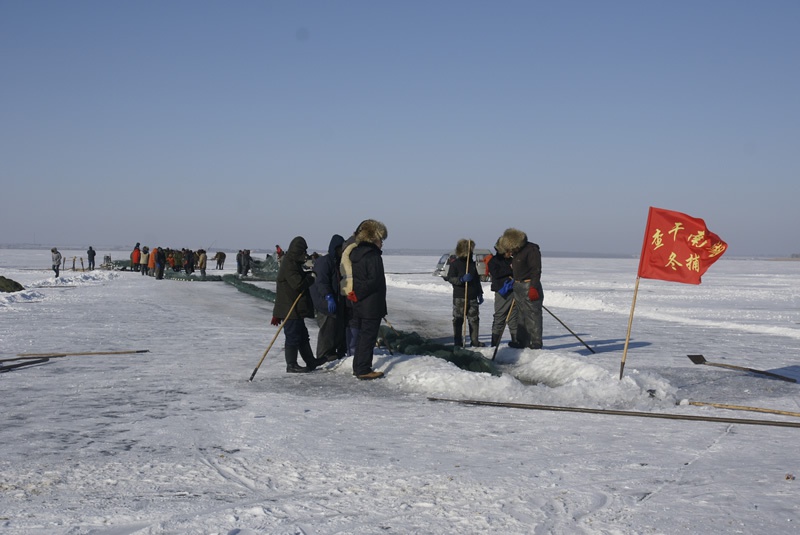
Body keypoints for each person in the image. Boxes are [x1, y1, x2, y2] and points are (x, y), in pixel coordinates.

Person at [271, 236, 323, 373]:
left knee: (302, 335)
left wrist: (309, 271)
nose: (304, 253)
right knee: (293, 336)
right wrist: (310, 277)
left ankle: (310, 361)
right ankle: (291, 364)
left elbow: (302, 275)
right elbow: (298, 284)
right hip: (289, 307)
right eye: (303, 250)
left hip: (295, 307)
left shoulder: (293, 262)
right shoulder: (289, 264)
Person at [346, 219, 388, 380]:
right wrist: (360, 293)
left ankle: (358, 366)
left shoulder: (357, 253)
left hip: (360, 304)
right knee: (368, 337)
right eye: (381, 240)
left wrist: (356, 294)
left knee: (363, 336)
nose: (382, 244)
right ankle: (363, 369)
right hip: (371, 304)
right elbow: (373, 281)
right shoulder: (372, 256)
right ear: (373, 238)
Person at [499, 228, 544, 350]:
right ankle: (522, 341)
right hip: (518, 286)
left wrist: (533, 287)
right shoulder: (517, 252)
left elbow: (536, 270)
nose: (511, 251)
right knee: (521, 314)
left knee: (533, 314)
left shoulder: (531, 250)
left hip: (529, 285)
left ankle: (536, 343)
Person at [311, 234, 346, 363]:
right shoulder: (324, 262)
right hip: (324, 302)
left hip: (334, 301)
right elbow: (321, 282)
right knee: (327, 328)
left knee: (335, 328)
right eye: (340, 249)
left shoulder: (337, 262)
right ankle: (323, 356)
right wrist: (328, 296)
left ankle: (331, 352)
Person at [445, 239, 485, 347]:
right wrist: (461, 279)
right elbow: (450, 278)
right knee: (458, 319)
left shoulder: (471, 264)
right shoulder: (456, 264)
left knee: (474, 319)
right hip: (460, 296)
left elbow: (476, 280)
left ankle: (474, 341)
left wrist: (480, 293)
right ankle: (458, 342)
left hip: (472, 296)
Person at [487, 238, 520, 348]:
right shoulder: (494, 261)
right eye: (508, 251)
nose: (510, 253)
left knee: (513, 318)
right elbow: (496, 273)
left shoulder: (512, 260)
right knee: (500, 317)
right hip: (502, 293)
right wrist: (510, 271)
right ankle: (494, 344)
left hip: (514, 292)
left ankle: (515, 342)